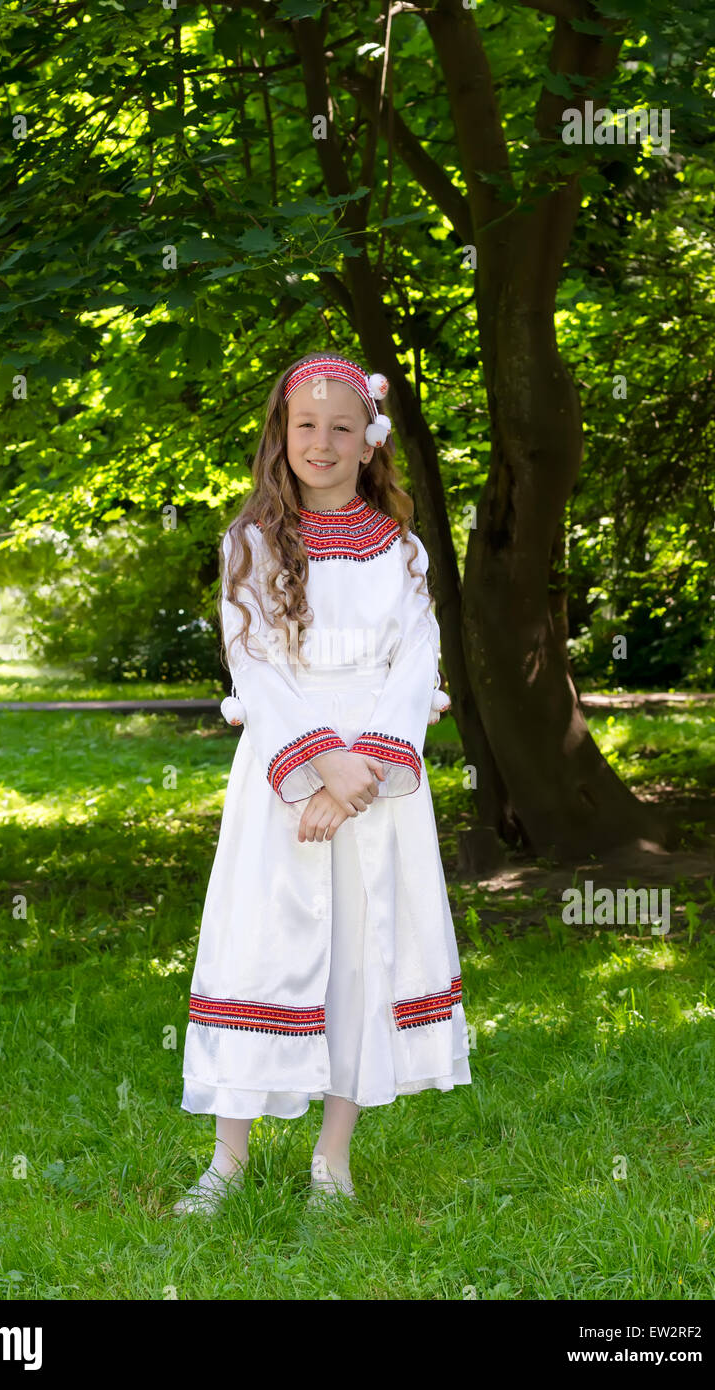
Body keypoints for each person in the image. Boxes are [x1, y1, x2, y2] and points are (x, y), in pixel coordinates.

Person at [174, 352, 472, 1216]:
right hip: (284, 777)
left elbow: (415, 663)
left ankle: (331, 1160)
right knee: (258, 943)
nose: (321, 441)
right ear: (280, 433)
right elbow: (254, 662)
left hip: (375, 785)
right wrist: (316, 768)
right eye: (305, 424)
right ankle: (227, 1160)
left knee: (360, 952)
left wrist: (359, 772)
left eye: (341, 426)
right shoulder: (251, 540)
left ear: (369, 441)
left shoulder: (400, 549)